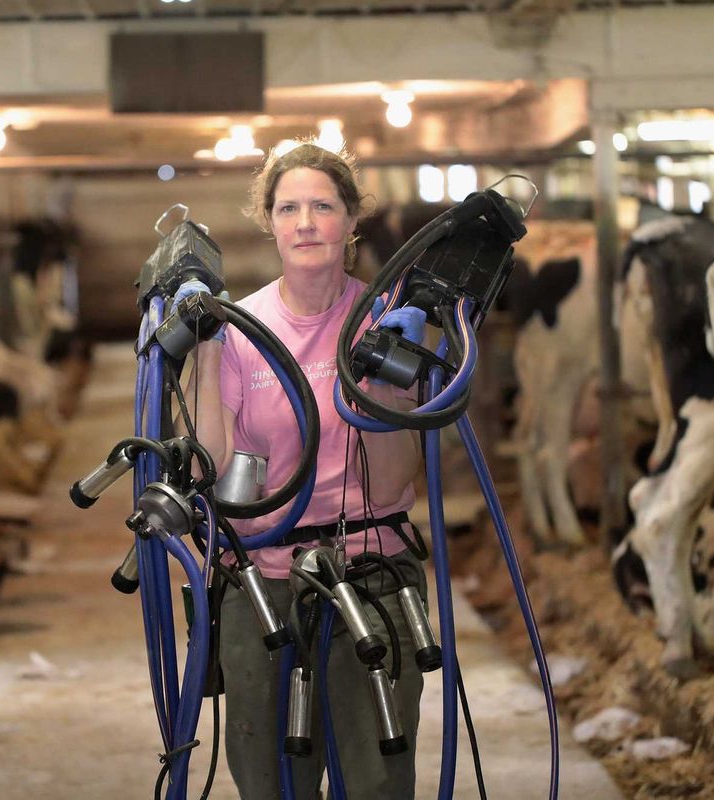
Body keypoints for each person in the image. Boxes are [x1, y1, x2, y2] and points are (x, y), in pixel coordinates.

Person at [177, 142, 430, 799]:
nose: (306, 223)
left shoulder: (385, 322)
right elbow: (209, 467)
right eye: (289, 208)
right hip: (263, 583)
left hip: (372, 572)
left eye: (323, 206)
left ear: (352, 220)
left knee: (376, 779)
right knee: (270, 782)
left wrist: (386, 377)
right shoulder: (242, 331)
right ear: (269, 221)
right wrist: (206, 351)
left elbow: (397, 479)